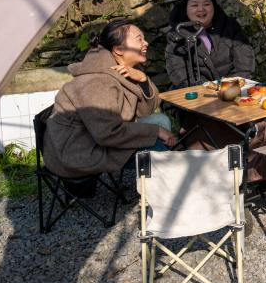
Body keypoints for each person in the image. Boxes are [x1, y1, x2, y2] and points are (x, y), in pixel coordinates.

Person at [43, 18, 175, 179]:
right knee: (159, 149)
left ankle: (156, 181)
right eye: (139, 39)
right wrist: (156, 132)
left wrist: (142, 80)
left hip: (97, 137)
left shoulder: (120, 70)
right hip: (79, 151)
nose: (146, 43)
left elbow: (145, 111)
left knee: (160, 120)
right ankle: (159, 189)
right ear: (119, 50)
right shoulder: (98, 82)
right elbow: (108, 133)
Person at [165, 0, 255, 88]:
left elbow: (245, 63)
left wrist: (227, 86)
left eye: (206, 4)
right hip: (198, 93)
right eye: (194, 5)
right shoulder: (177, 36)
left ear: (214, 6)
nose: (201, 9)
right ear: (185, 8)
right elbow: (178, 72)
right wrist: (208, 87)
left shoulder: (230, 27)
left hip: (233, 89)